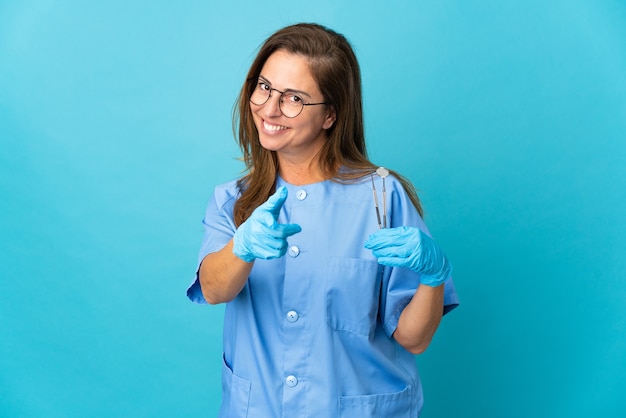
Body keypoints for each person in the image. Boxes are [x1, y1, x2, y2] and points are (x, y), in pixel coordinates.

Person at [187, 22, 459, 417]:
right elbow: (213, 289)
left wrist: (434, 278)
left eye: (293, 98)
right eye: (264, 87)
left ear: (330, 115)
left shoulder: (382, 198)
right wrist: (242, 247)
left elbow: (413, 339)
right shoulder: (235, 200)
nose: (269, 108)